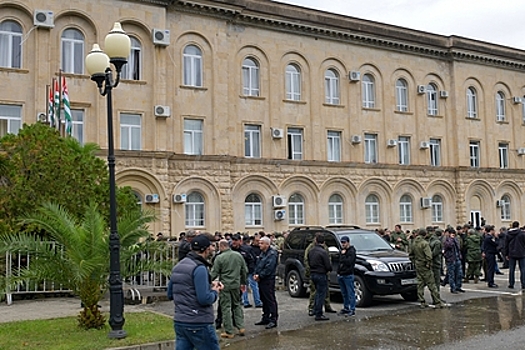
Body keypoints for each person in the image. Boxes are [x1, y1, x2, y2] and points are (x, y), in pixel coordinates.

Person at [168, 234, 223, 350]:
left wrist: (206, 284)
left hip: (180, 321)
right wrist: (214, 291)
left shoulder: (178, 266)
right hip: (198, 321)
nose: (212, 250)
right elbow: (204, 299)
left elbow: (170, 294)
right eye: (211, 247)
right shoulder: (199, 268)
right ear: (206, 249)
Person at [211, 239, 247, 339]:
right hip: (236, 284)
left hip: (225, 285)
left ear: (221, 246)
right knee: (237, 305)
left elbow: (214, 273)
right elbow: (244, 270)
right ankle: (241, 327)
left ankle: (229, 331)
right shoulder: (238, 255)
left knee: (226, 307)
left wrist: (207, 281)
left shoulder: (220, 258)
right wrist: (243, 283)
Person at [409, 228, 445, 308]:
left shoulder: (414, 242)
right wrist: (428, 264)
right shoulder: (424, 243)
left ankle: (422, 301)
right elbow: (429, 256)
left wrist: (415, 262)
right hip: (425, 265)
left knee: (420, 284)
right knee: (431, 284)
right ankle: (437, 302)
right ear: (425, 234)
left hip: (418, 264)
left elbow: (411, 255)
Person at [305, 238, 336, 316]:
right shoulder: (312, 248)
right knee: (316, 292)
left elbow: (329, 258)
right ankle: (314, 310)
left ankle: (325, 306)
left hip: (318, 273)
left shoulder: (320, 249)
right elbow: (306, 260)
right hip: (319, 273)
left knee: (324, 292)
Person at [253, 236, 279, 329]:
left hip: (268, 280)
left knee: (270, 299)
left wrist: (260, 275)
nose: (259, 245)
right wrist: (256, 274)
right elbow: (258, 264)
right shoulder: (262, 254)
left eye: (261, 243)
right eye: (259, 243)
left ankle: (273, 319)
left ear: (267, 244)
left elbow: (269, 268)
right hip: (261, 279)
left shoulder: (272, 254)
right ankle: (266, 317)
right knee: (263, 299)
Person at [337, 236, 356, 316]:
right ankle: (346, 308)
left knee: (350, 293)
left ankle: (352, 309)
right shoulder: (342, 251)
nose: (343, 244)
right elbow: (340, 261)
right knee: (344, 293)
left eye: (344, 242)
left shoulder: (351, 251)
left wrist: (344, 255)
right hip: (341, 274)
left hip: (348, 274)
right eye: (342, 242)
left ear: (348, 242)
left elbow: (349, 262)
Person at [241, 235, 262, 308]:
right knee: (254, 286)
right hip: (250, 269)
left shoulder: (240, 249)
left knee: (244, 286)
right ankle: (257, 301)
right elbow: (253, 259)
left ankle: (245, 301)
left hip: (243, 270)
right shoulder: (249, 248)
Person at [504, 221, 525, 290]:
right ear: (518, 226)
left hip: (511, 253)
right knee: (523, 269)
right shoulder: (522, 234)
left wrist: (506, 254)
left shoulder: (508, 234)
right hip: (521, 253)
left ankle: (511, 283)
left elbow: (506, 245)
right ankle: (523, 283)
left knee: (511, 269)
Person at [443, 229, 465, 294]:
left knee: (459, 274)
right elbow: (449, 245)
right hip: (451, 259)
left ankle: (458, 286)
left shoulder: (456, 240)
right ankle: (453, 288)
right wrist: (451, 239)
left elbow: (459, 247)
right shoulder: (447, 240)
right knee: (451, 275)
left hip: (457, 258)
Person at [427, 227, 443, 291]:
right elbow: (435, 253)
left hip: (431, 262)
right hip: (436, 262)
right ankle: (437, 296)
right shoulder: (437, 242)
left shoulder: (430, 240)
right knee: (437, 281)